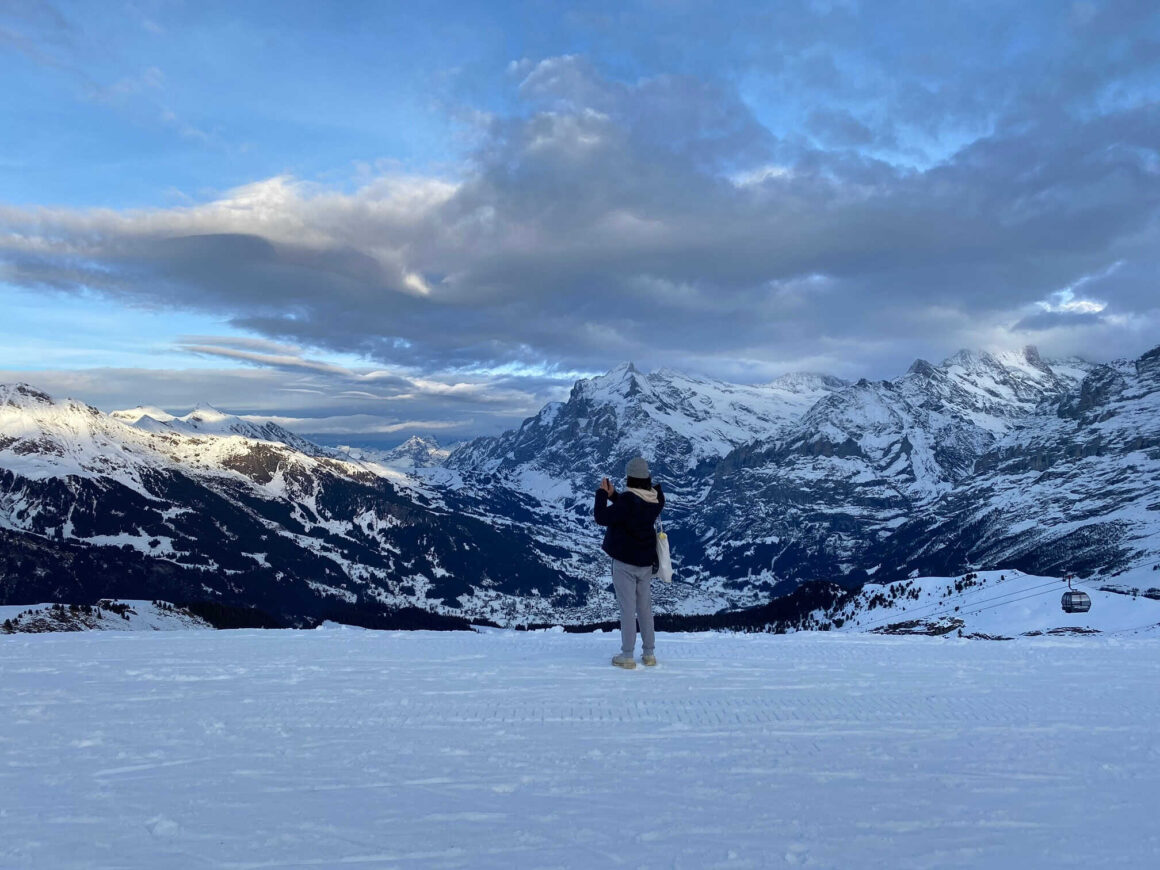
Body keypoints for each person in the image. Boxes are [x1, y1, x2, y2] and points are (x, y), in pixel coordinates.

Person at [593, 456, 664, 669]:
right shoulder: (656, 499)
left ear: (630, 478)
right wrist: (615, 495)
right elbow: (634, 509)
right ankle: (649, 654)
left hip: (624, 563)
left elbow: (601, 517)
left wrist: (602, 494)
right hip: (646, 563)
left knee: (627, 609)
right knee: (645, 608)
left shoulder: (628, 501)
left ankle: (627, 655)